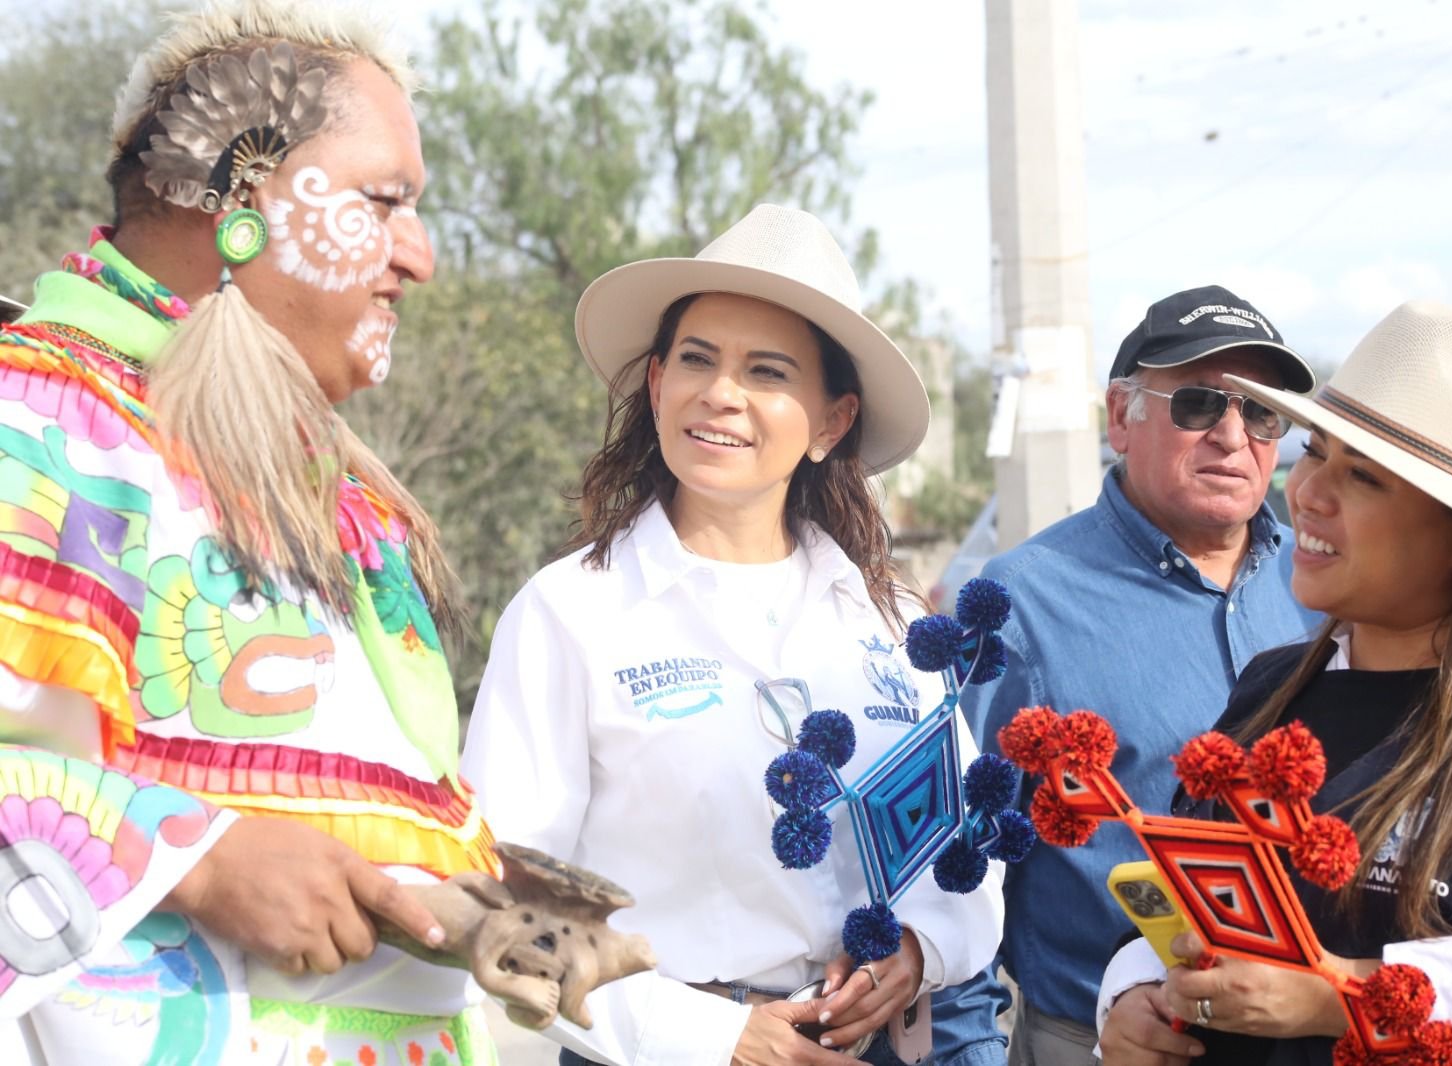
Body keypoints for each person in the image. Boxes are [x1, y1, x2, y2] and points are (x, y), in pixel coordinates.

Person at [0, 2, 500, 1062]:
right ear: (240, 196)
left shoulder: (334, 495)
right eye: (383, 202)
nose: (419, 256)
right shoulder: (35, 425)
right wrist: (198, 860)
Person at [462, 202, 1004, 1066]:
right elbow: (503, 903)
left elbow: (965, 842)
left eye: (767, 371)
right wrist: (719, 1039)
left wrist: (915, 950)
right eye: (697, 359)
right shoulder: (568, 614)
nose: (721, 393)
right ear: (656, 385)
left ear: (831, 423)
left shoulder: (893, 621)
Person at [1098, 300, 1452, 1065]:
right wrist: (1138, 994)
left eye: (1362, 476)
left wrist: (1338, 997)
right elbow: (1191, 898)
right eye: (1315, 451)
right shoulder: (1271, 689)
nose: (1306, 492)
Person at [932, 286, 1322, 1066]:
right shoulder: (1024, 601)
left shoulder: (1319, 582)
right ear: (1121, 417)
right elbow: (955, 861)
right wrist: (968, 1053)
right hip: (1098, 1040)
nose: (1233, 436)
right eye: (1200, 403)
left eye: (1262, 413)